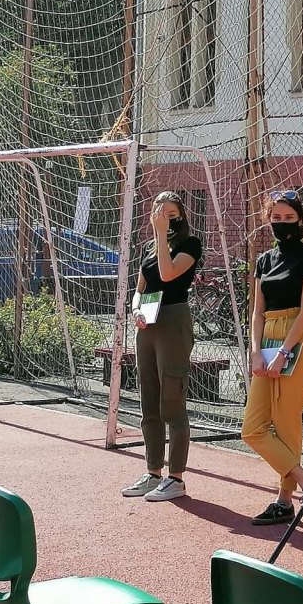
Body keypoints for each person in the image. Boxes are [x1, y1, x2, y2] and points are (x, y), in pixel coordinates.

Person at [240, 190, 303, 525]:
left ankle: (284, 500)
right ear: (268, 220)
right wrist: (255, 352)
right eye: (276, 217)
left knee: (287, 421)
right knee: (252, 428)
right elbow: (257, 312)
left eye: (289, 217)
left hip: (296, 339)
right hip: (266, 340)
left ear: (300, 219)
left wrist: (283, 352)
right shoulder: (264, 261)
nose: (282, 223)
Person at [121, 191, 202, 502]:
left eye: (170, 213)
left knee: (171, 399)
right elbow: (140, 289)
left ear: (180, 215)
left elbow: (168, 275)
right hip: (148, 324)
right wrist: (135, 309)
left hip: (173, 320)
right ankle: (153, 471)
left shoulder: (189, 244)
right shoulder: (148, 248)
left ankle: (176, 477)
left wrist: (161, 233)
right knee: (149, 401)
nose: (164, 218)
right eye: (159, 212)